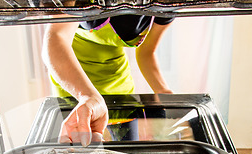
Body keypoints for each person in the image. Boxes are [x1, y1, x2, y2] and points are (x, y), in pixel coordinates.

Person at [42, 15, 174, 146]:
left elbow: (146, 52)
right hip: (74, 76)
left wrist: (163, 91)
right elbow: (57, 38)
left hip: (116, 77)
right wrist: (87, 96)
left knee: (127, 153)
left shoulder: (166, 4)